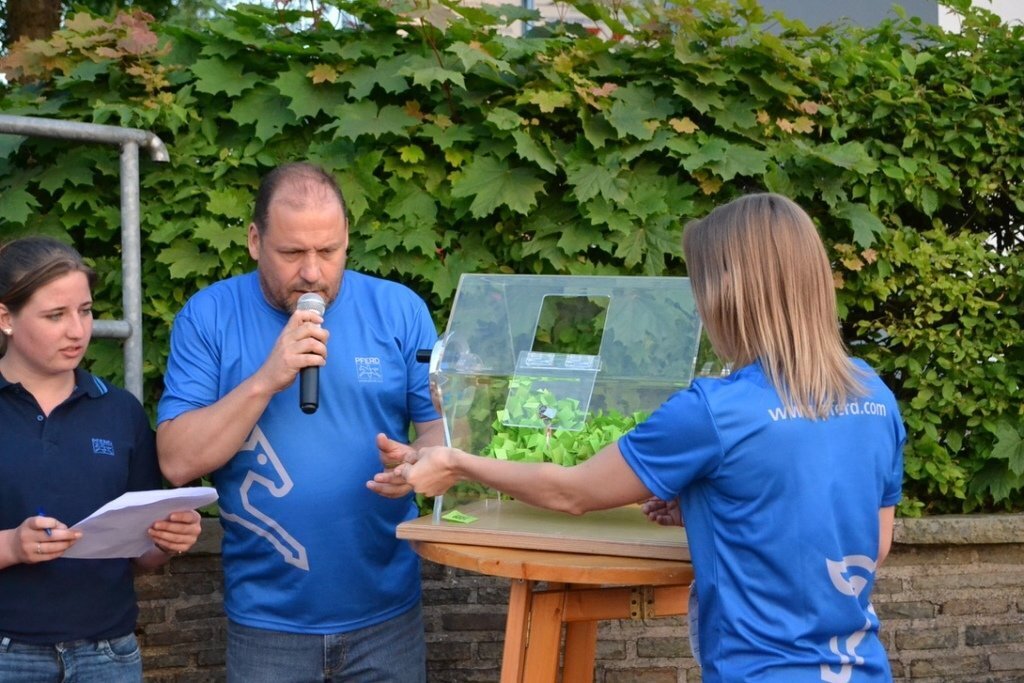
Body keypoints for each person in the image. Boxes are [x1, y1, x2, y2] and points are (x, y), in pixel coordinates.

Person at [378, 193, 905, 682]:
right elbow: (871, 544)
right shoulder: (874, 395)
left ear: (728, 293)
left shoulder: (714, 410)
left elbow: (572, 492)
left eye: (700, 287)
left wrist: (459, 463)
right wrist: (720, 509)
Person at [156, 162, 443, 682]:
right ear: (254, 240)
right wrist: (266, 379)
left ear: (347, 237)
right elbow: (177, 460)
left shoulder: (399, 311)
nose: (312, 273)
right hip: (267, 621)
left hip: (387, 613)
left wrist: (421, 461)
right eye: (292, 253)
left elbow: (439, 430)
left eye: (328, 251)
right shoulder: (209, 317)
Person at [0, 236, 203, 683]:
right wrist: (12, 546)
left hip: (108, 654)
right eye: (56, 315)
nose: (78, 331)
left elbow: (141, 554)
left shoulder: (120, 410)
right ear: (5, 318)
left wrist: (166, 539)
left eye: (86, 310)